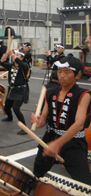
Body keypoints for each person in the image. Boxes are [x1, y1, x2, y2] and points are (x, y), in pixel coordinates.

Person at [31, 56, 91, 185]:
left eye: (67, 72)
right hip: (49, 139)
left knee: (84, 183)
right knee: (36, 176)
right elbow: (43, 121)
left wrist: (58, 143)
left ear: (78, 75)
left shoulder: (83, 95)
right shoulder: (51, 92)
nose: (61, 75)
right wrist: (38, 121)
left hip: (73, 143)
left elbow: (79, 123)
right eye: (59, 71)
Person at [0, 49, 30, 135]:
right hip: (12, 90)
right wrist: (3, 59)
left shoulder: (25, 66)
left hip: (21, 90)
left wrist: (12, 54)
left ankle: (24, 128)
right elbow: (3, 64)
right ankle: (10, 117)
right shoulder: (12, 65)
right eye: (15, 55)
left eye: (17, 55)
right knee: (6, 107)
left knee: (16, 108)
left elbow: (21, 64)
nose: (15, 57)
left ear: (21, 57)